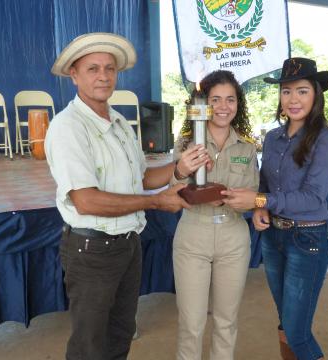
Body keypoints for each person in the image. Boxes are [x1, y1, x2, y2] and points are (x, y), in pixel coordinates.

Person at [44, 32, 209, 360]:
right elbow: (86, 200)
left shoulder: (118, 121)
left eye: (109, 68)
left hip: (127, 245)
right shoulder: (68, 127)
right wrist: (158, 202)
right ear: (73, 75)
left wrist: (179, 168)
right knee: (89, 346)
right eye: (92, 69)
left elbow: (141, 179)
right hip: (92, 250)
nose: (103, 76)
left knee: (120, 335)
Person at [222, 57, 328, 360]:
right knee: (286, 322)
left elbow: (313, 197)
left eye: (302, 91)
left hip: (308, 239)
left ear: (316, 94)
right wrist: (261, 207)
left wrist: (259, 201)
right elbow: (266, 183)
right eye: (286, 91)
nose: (293, 99)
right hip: (274, 238)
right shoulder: (274, 137)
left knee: (297, 332)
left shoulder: (326, 139)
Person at [171, 70, 259, 360]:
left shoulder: (247, 146)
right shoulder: (185, 144)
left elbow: (252, 196)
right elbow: (173, 192)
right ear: (203, 104)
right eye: (216, 99)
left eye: (230, 99)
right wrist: (183, 172)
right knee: (192, 324)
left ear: (238, 104)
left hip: (233, 238)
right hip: (193, 236)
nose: (223, 106)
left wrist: (243, 201)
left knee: (226, 321)